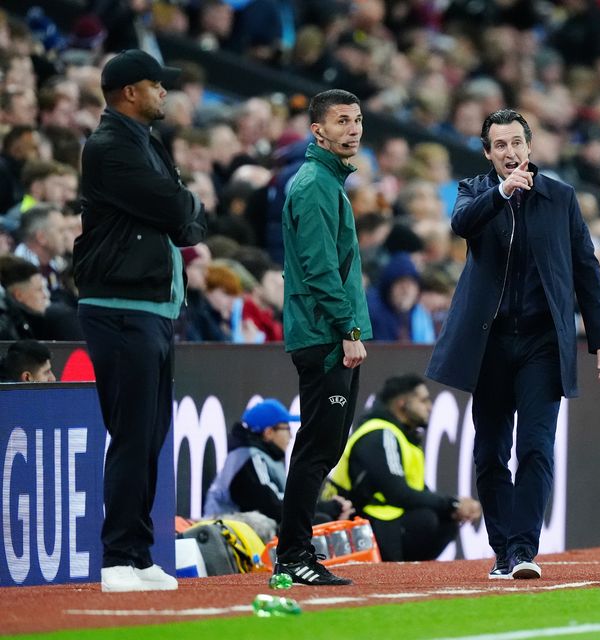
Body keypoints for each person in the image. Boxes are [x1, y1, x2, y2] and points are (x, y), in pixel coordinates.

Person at [426, 109, 600, 580]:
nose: (510, 152)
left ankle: (523, 549)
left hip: (540, 342)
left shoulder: (560, 197)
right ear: (489, 153)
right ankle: (501, 550)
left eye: (517, 143)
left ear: (530, 148)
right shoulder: (475, 192)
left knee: (536, 446)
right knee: (490, 451)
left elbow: (585, 267)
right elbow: (462, 226)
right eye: (500, 145)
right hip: (489, 344)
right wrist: (501, 193)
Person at [72, 50, 206, 593]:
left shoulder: (142, 143)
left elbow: (187, 218)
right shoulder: (109, 148)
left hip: (150, 308)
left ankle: (138, 550)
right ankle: (118, 558)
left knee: (148, 436)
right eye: (156, 85)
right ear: (129, 91)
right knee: (131, 435)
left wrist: (186, 206)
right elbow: (179, 211)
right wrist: (186, 204)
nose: (164, 93)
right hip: (120, 307)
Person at [272, 89, 371, 587]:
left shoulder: (327, 182)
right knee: (316, 448)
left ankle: (295, 551)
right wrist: (349, 330)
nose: (353, 129)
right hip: (325, 335)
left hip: (328, 333)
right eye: (341, 121)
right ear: (318, 131)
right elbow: (319, 269)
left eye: (357, 120)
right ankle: (292, 555)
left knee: (322, 447)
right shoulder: (313, 184)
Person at [327, 374, 482, 561]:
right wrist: (453, 503)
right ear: (402, 403)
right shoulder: (381, 433)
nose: (430, 407)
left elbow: (417, 491)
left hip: (376, 518)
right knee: (426, 518)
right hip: (348, 521)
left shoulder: (401, 436)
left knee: (446, 517)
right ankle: (392, 572)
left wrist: (452, 507)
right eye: (423, 400)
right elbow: (398, 493)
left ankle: (409, 575)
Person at [203, 398, 353, 533]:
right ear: (269, 433)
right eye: (286, 429)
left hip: (240, 530)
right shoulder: (248, 458)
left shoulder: (262, 456)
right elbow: (273, 507)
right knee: (318, 522)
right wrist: (325, 508)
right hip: (225, 533)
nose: (291, 436)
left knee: (317, 521)